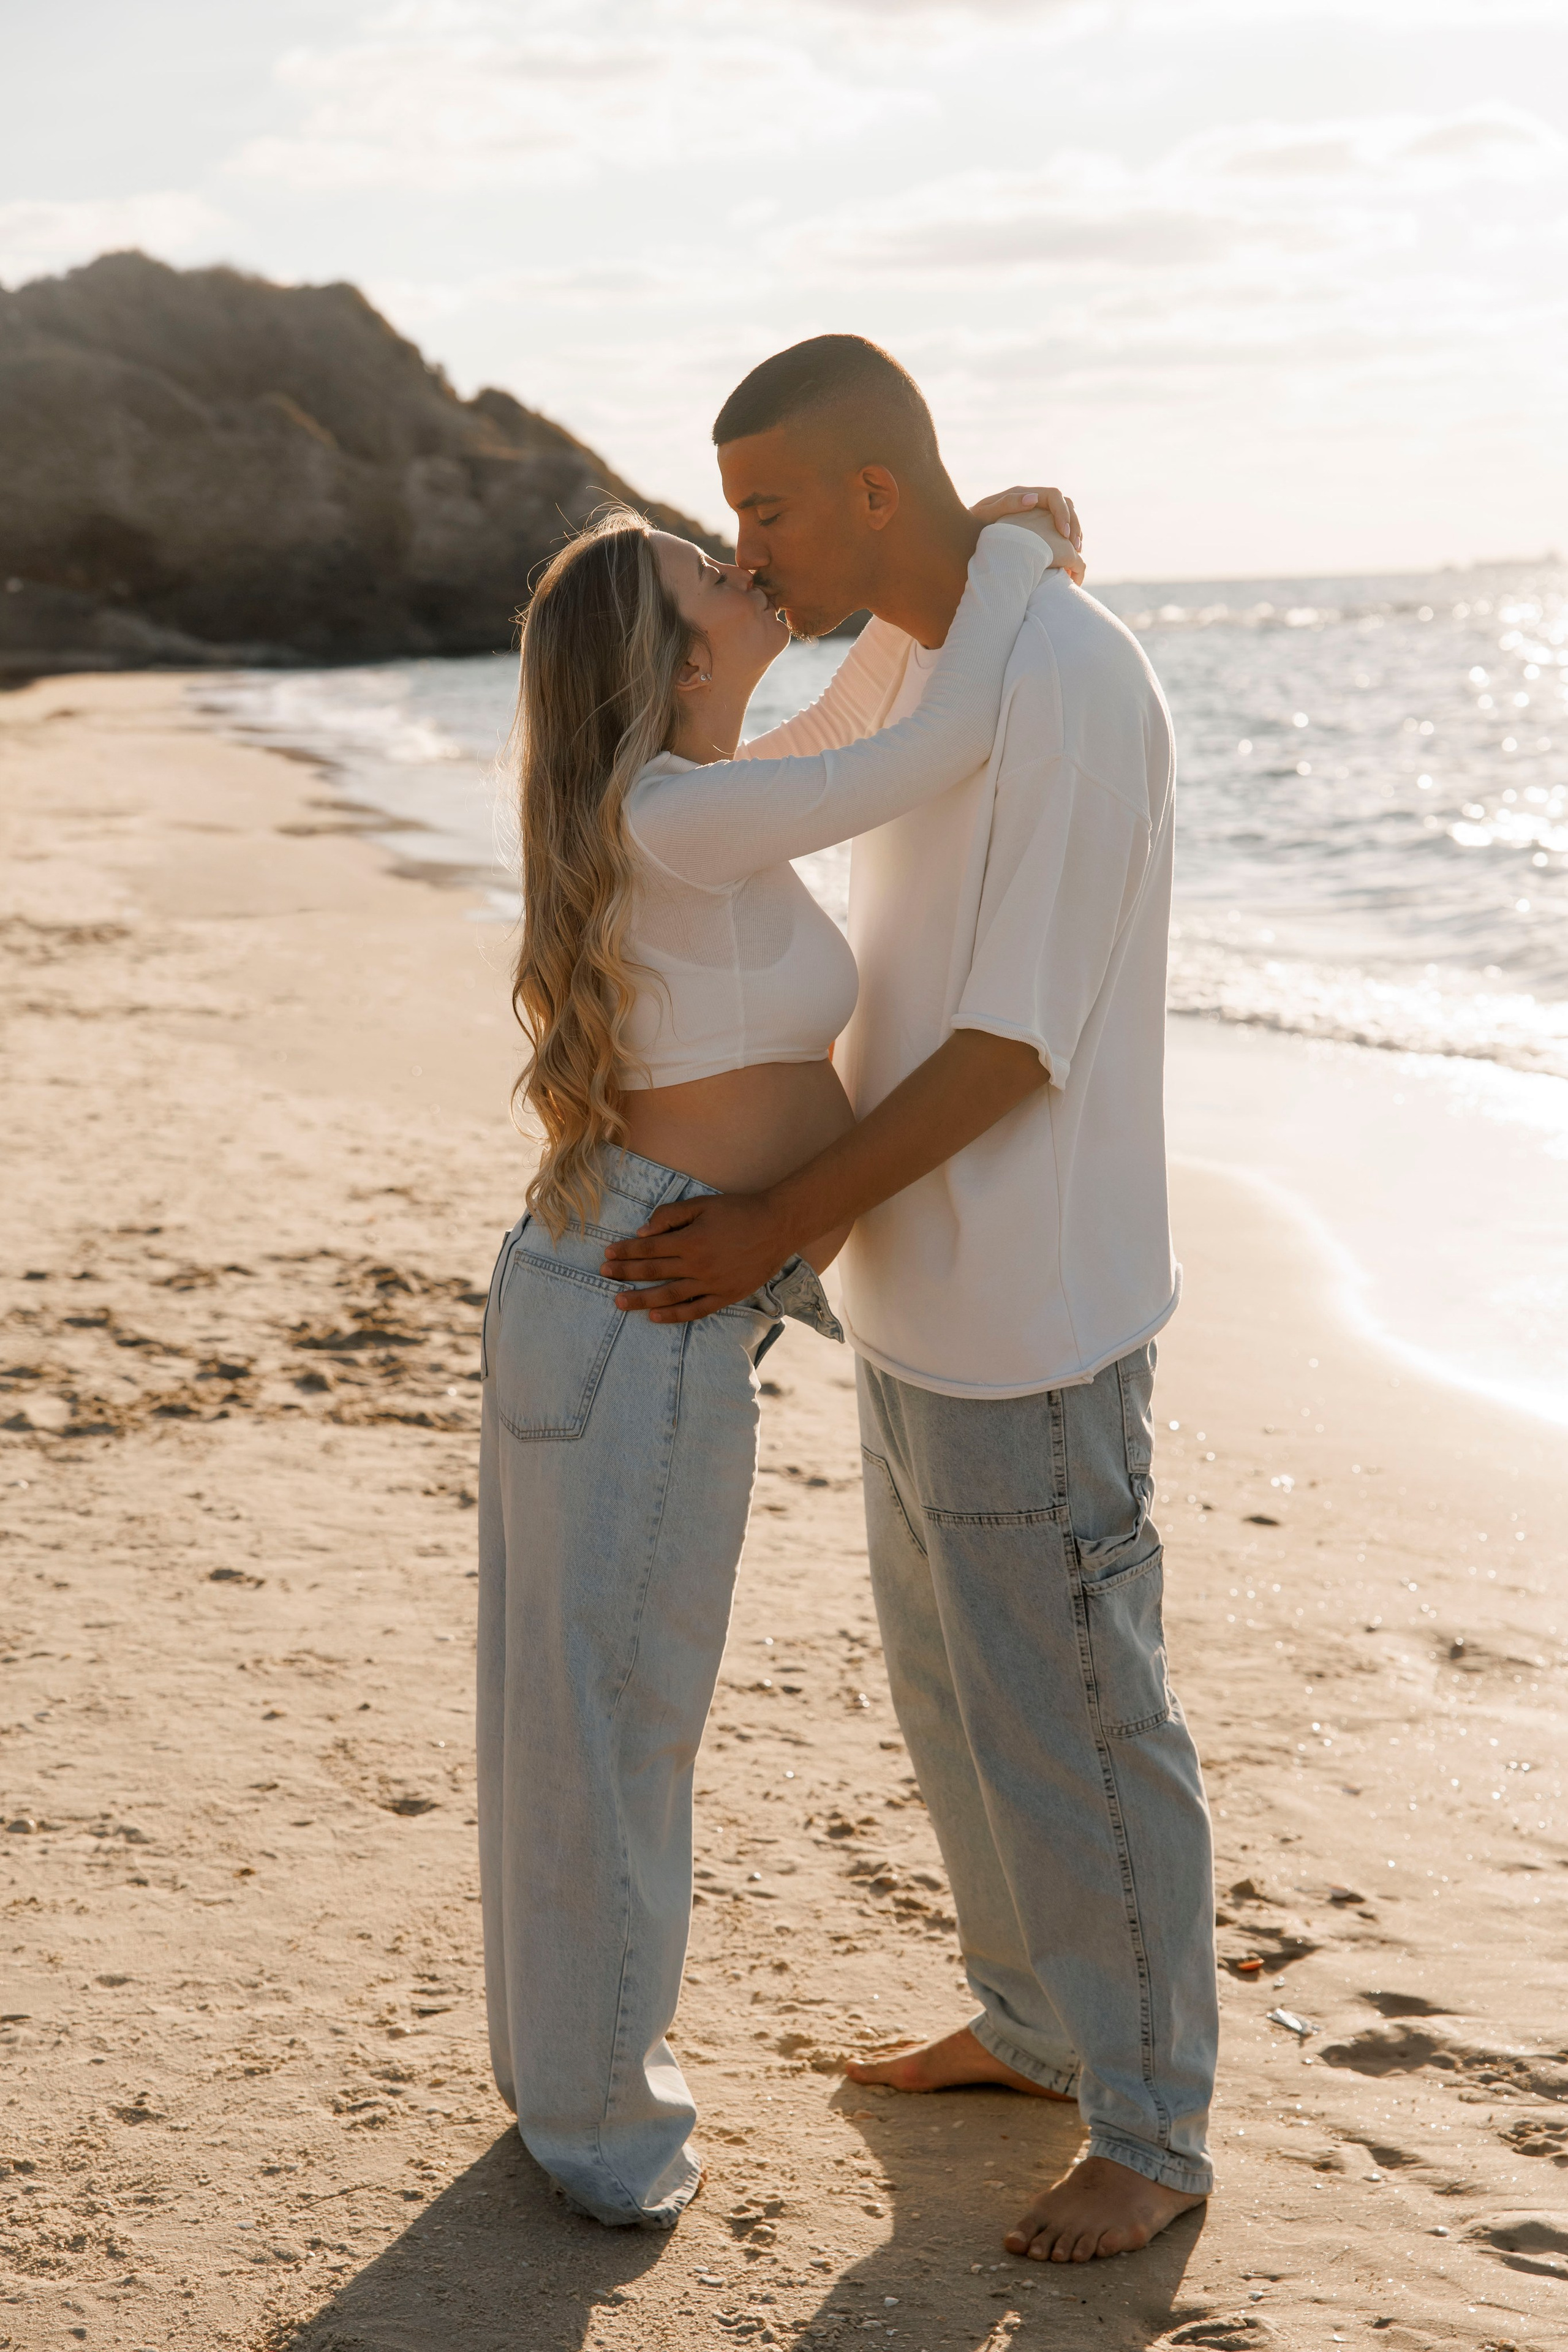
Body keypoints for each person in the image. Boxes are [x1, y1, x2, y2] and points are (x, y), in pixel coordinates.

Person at [602, 334, 1218, 2264]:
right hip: (915, 1282)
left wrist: (777, 1217)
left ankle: (1155, 2126)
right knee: (959, 1699)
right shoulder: (952, 658)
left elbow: (1009, 1045)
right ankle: (1039, 2026)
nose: (748, 549)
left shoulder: (1065, 677)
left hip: (1029, 1301)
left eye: (769, 506)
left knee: (1077, 1720)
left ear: (877, 490)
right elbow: (849, 760)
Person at [477, 491, 1077, 2230]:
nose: (743, 571)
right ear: (662, 664)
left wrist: (950, 569)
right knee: (614, 1728)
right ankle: (599, 2133)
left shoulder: (694, 802)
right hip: (634, 1297)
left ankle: (560, 2090)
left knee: (572, 1717)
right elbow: (936, 738)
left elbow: (859, 724)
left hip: (616, 1286)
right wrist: (1009, 568)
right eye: (703, 572)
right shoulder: (678, 816)